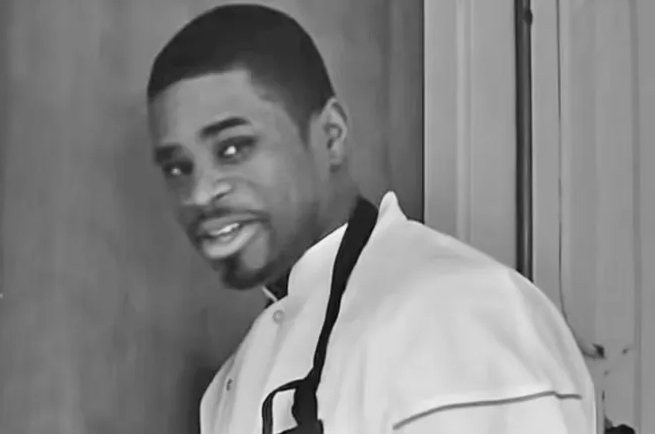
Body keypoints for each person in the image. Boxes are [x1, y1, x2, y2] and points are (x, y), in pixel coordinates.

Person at [146, 4, 597, 434]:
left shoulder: (454, 312)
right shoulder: (232, 383)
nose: (199, 193)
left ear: (331, 137)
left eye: (233, 148)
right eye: (178, 167)